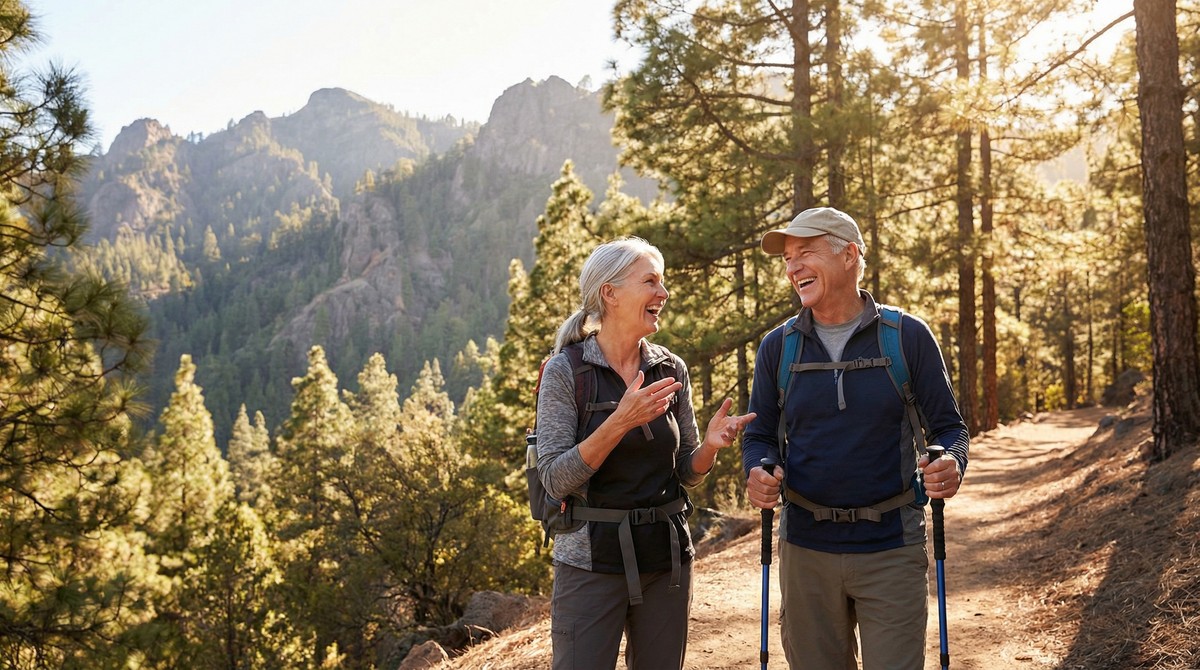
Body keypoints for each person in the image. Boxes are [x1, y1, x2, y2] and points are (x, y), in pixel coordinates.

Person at [741, 207, 970, 669]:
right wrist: (757, 470)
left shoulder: (906, 337)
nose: (792, 267)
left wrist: (952, 463)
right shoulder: (777, 347)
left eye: (805, 252)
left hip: (891, 548)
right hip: (805, 550)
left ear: (849, 255)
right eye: (787, 259)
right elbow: (760, 435)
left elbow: (950, 428)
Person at [536, 236, 756, 670]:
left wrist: (709, 447)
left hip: (666, 562)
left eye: (663, 282)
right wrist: (620, 420)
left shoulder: (669, 368)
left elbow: (686, 471)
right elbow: (555, 478)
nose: (663, 293)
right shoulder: (566, 371)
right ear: (610, 293)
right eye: (651, 282)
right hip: (589, 566)